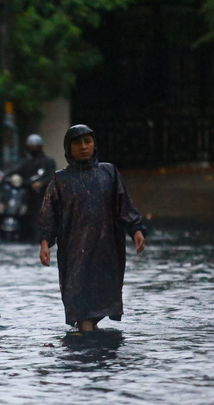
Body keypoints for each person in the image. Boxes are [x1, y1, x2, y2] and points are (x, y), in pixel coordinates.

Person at [38, 124, 146, 332]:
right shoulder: (60, 180)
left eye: (87, 141)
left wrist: (136, 230)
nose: (83, 147)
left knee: (104, 295)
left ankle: (90, 338)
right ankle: (86, 340)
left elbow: (124, 205)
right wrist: (45, 242)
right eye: (77, 143)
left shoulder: (109, 173)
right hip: (74, 250)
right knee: (78, 298)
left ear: (94, 145)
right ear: (68, 148)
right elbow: (48, 214)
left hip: (106, 247)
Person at [0, 133, 56, 240]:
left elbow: (51, 176)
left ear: (40, 147)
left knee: (38, 214)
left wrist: (41, 183)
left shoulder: (47, 161)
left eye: (35, 147)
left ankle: (38, 234)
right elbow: (16, 170)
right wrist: (3, 177)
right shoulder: (27, 162)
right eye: (31, 147)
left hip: (40, 194)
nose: (33, 149)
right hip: (25, 191)